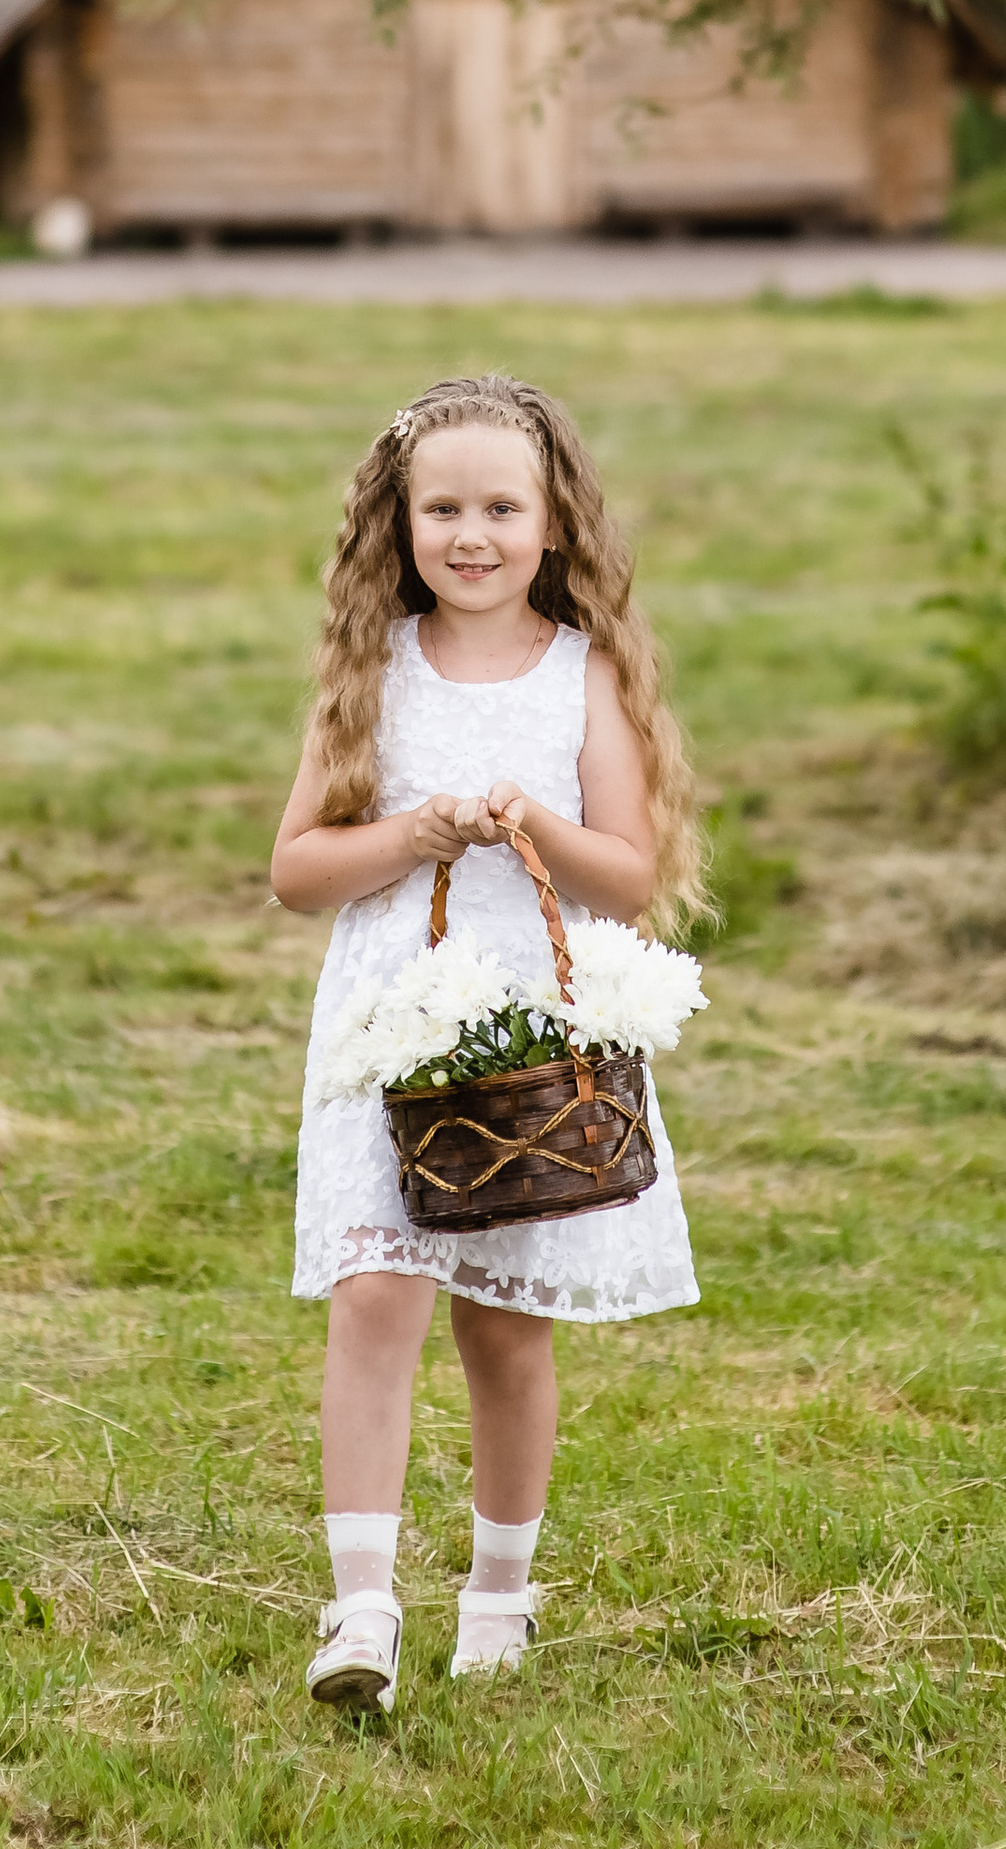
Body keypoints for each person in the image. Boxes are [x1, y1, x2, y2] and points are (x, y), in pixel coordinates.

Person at [271, 370, 702, 1710]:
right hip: (390, 1027)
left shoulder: (586, 675)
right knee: (375, 1291)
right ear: (397, 525)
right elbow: (296, 866)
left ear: (553, 523)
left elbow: (629, 877)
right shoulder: (370, 672)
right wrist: (411, 833)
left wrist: (533, 823)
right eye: (441, 507)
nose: (471, 533)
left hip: (534, 1024)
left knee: (506, 1327)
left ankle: (500, 1595)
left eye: (500, 506)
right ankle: (360, 1610)